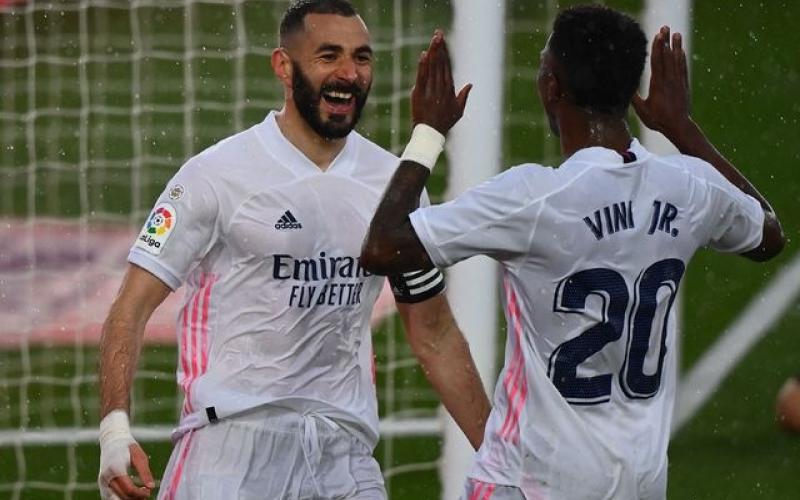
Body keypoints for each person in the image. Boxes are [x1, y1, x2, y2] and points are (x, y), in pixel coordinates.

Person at [361, 5, 785, 499]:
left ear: (550, 87)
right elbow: (768, 235)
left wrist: (429, 132)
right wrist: (681, 127)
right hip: (640, 483)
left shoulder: (534, 198)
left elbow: (382, 245)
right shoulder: (688, 188)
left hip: (531, 482)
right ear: (630, 91)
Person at [96, 1, 489, 499]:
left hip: (343, 453)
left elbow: (434, 334)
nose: (349, 73)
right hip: (229, 452)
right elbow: (129, 310)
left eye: (362, 58)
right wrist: (114, 430)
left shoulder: (394, 186)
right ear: (284, 66)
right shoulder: (214, 175)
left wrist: (499, 455)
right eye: (329, 56)